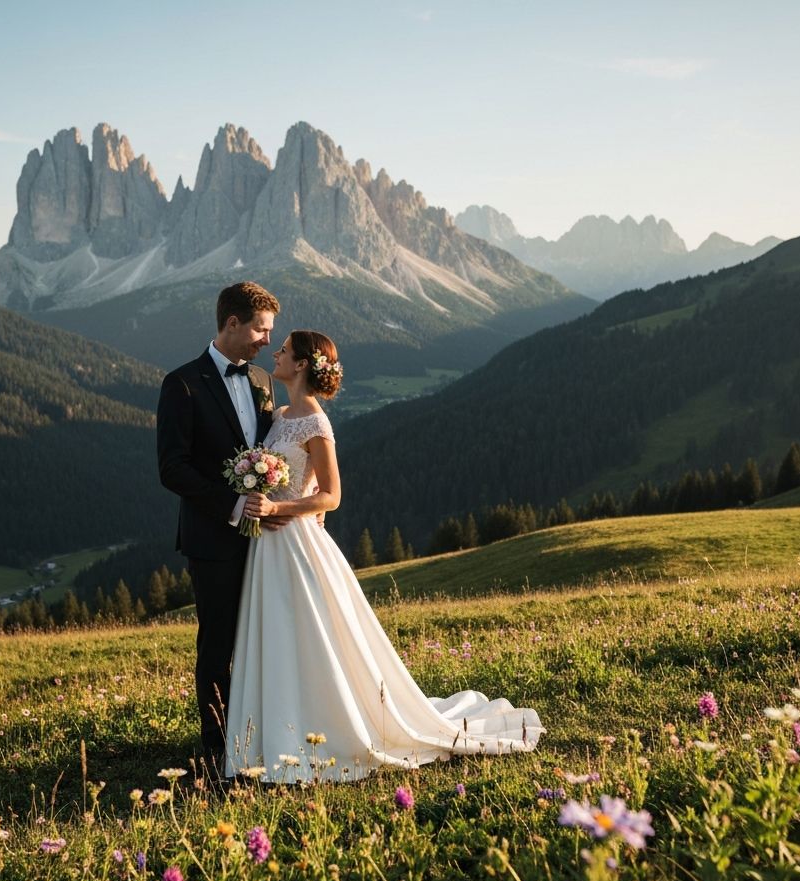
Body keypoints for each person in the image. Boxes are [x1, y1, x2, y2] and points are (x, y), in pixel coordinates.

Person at [226, 330, 543, 782]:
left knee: (310, 636)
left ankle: (318, 726)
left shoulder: (315, 422)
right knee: (278, 633)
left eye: (284, 350)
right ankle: (272, 729)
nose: (275, 353)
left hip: (294, 540)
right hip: (271, 546)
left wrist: (281, 506)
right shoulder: (280, 414)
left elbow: (332, 495)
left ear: (299, 365)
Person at [156, 281, 283, 781]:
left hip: (269, 540)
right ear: (232, 323)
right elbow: (172, 468)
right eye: (259, 329)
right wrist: (233, 502)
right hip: (213, 538)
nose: (266, 342)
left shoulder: (262, 381)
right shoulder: (182, 384)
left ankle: (262, 730)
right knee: (218, 644)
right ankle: (218, 748)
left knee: (265, 635)